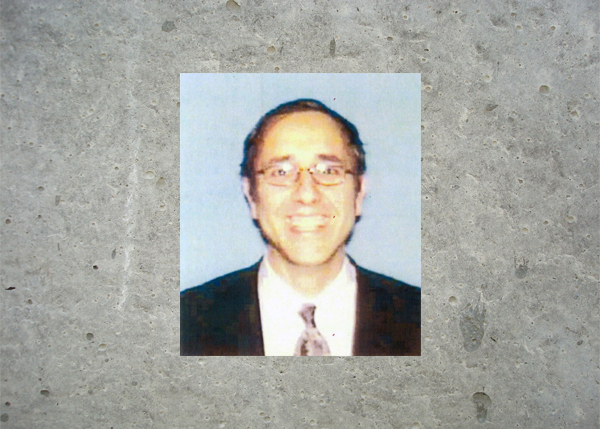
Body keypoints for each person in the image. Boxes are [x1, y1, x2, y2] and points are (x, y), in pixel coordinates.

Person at [180, 99, 420, 356]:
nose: (307, 194)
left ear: (359, 193)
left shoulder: (421, 318)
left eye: (328, 171)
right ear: (251, 196)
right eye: (281, 172)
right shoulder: (186, 323)